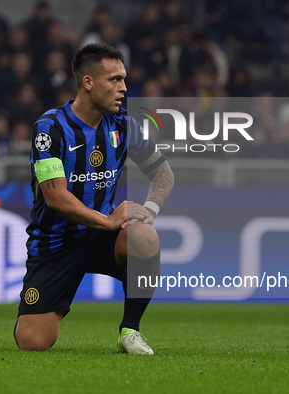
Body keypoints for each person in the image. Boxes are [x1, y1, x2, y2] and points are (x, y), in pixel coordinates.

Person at [14, 44, 174, 355]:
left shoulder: (124, 125)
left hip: (103, 238)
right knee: (32, 343)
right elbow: (56, 197)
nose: (124, 88)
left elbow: (164, 174)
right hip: (55, 243)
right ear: (88, 82)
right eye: (114, 80)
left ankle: (130, 331)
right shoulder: (50, 128)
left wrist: (149, 212)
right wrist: (109, 219)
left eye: (124, 80)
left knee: (143, 235)